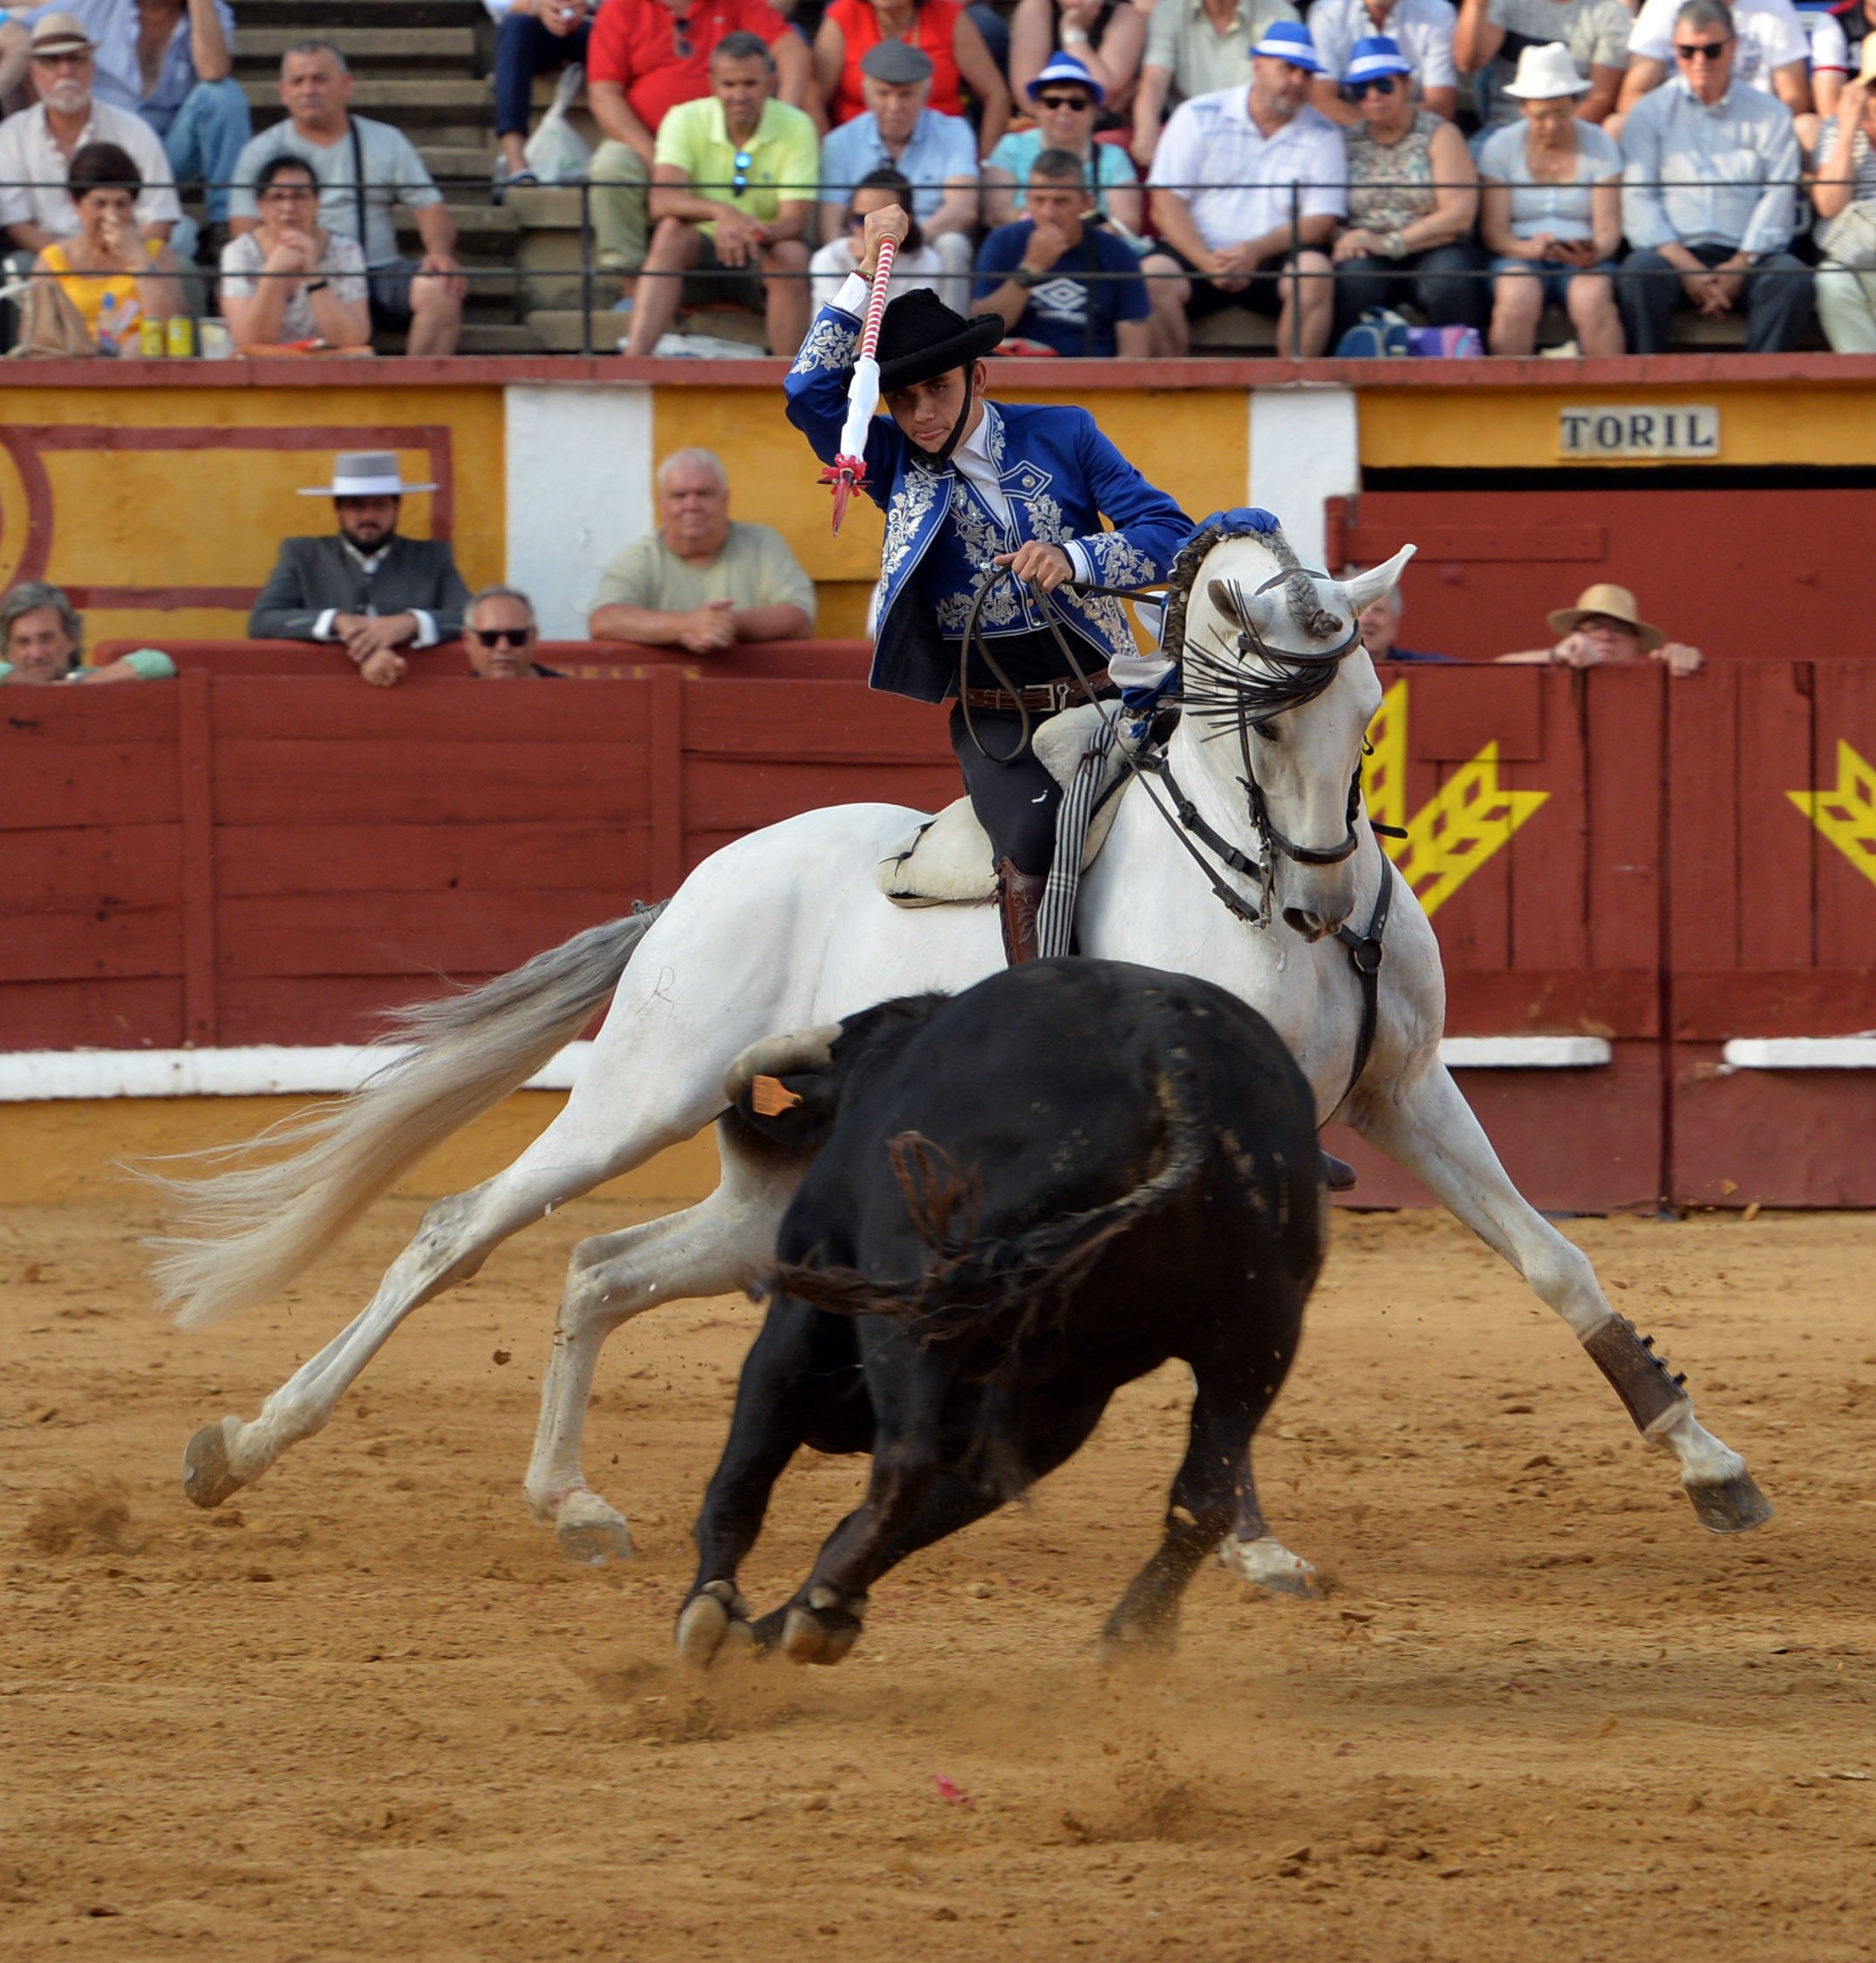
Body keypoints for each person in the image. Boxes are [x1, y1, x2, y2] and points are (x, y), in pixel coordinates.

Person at [784, 202, 1190, 963]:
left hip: (1111, 686)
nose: (918, 414)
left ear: (977, 376)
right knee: (1031, 839)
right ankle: (1041, 1013)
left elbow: (1172, 535)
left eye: (934, 389)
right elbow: (808, 393)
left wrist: (1076, 559)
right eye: (900, 399)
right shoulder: (893, 460)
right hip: (997, 720)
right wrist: (862, 273)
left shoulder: (1064, 430)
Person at [227, 42, 467, 358]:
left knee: (440, 290)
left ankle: (415, 399)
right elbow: (245, 230)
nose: (308, 90)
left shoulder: (386, 141)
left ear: (346, 85)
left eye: (320, 79)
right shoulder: (261, 152)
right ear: (284, 92)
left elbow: (429, 208)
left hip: (376, 273)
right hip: (294, 276)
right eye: (298, 81)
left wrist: (439, 252)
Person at [1617, 0, 1813, 353]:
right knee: (1638, 272)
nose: (1699, 61)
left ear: (1734, 47)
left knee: (1791, 278)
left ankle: (1758, 389)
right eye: (1687, 51)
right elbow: (1638, 199)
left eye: (1711, 50)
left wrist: (1741, 263)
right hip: (1673, 256)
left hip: (1749, 256)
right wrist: (1688, 267)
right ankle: (1649, 388)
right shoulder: (1649, 112)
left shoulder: (1771, 115)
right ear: (1673, 50)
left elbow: (1779, 196)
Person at [1145, 23, 1346, 358]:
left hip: (1273, 258)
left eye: (1307, 74)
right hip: (1198, 251)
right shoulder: (1198, 114)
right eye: (1288, 68)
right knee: (1151, 275)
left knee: (1313, 270)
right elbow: (1165, 203)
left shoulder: (1324, 133)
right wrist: (1205, 261)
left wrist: (1254, 250)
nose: (1297, 81)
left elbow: (1322, 220)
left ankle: (1298, 390)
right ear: (1258, 66)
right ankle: (1171, 396)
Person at [620, 31, 817, 358]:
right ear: (712, 84)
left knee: (791, 255)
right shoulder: (684, 118)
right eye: (729, 85)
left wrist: (751, 231)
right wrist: (723, 213)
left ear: (771, 83)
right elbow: (662, 201)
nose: (739, 95)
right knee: (671, 231)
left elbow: (795, 220)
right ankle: (631, 367)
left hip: (761, 248)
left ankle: (791, 388)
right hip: (701, 254)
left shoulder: (797, 125)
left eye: (750, 84)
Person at [586, 0, 814, 279]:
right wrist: (654, 156)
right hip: (645, 144)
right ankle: (629, 283)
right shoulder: (621, 7)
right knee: (610, 166)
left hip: (724, 138)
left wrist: (779, 117)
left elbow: (792, 50)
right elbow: (603, 94)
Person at [0, 0, 248, 232]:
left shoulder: (211, 11)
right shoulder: (96, 6)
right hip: (99, 154)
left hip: (167, 155)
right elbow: (28, 34)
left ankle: (223, 228)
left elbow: (213, 69)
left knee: (223, 95)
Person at [249, 452, 471, 687]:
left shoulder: (431, 558)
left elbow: (472, 619)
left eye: (379, 505)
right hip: (324, 695)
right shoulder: (303, 556)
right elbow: (263, 621)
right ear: (338, 509)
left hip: (416, 693)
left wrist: (411, 622)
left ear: (397, 508)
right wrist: (336, 621)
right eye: (356, 505)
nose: (368, 516)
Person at [1330, 35, 1486, 340]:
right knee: (1352, 281)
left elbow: (1459, 215)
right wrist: (1344, 238)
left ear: (1406, 85)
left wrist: (1391, 243)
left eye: (1384, 85)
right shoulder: (1347, 140)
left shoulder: (1439, 133)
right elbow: (1331, 214)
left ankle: (1462, 372)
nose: (1373, 96)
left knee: (1447, 282)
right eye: (1361, 90)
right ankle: (1351, 377)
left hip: (1437, 244)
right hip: (1369, 248)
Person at [588, 446, 816, 647]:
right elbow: (604, 620)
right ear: (662, 505)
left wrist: (729, 623)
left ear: (725, 499)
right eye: (679, 495)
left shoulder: (762, 544)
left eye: (703, 494)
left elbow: (799, 617)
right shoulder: (641, 557)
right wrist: (689, 625)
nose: (691, 505)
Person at [1478, 41, 1624, 354]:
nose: (1553, 125)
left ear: (1575, 102)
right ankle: (1508, 400)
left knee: (1593, 299)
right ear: (1522, 107)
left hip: (1583, 255)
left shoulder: (1601, 145)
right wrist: (1527, 248)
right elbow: (1493, 232)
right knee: (1515, 297)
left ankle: (1611, 397)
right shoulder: (1500, 147)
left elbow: (1609, 229)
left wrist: (1594, 253)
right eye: (1541, 116)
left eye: (1562, 112)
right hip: (1518, 252)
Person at [0, 13, 180, 254]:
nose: (66, 71)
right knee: (19, 267)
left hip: (126, 258)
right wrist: (75, 263)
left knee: (180, 269)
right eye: (52, 61)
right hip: (48, 263)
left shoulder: (133, 130)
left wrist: (116, 259)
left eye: (76, 60)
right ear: (34, 73)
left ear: (92, 68)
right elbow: (17, 226)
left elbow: (159, 219)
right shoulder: (12, 135)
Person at [816, 38, 978, 302]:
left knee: (954, 245)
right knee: (830, 254)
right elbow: (830, 226)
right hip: (863, 243)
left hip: (925, 239)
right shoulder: (840, 141)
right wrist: (867, 251)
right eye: (883, 94)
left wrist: (903, 242)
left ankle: (953, 340)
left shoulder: (954, 132)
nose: (894, 106)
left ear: (926, 93)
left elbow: (963, 208)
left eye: (905, 94)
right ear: (866, 93)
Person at [972, 147, 1153, 352]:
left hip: (1093, 376)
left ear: (1086, 203)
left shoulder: (1119, 254)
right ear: (1028, 201)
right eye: (1040, 201)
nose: (1049, 213)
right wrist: (1030, 269)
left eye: (1062, 201)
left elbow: (1134, 352)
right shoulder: (1004, 242)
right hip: (1021, 372)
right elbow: (981, 333)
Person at [31, 140, 188, 345]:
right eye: (99, 203)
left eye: (121, 204)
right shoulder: (52, 261)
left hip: (143, 368)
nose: (111, 217)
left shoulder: (156, 254)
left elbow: (174, 330)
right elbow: (34, 339)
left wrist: (139, 259)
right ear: (76, 205)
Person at [217, 151, 371, 349]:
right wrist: (274, 272)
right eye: (277, 197)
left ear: (317, 203)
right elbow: (249, 341)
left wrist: (313, 274)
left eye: (299, 196)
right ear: (260, 207)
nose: (289, 207)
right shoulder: (238, 253)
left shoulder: (346, 250)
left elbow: (353, 340)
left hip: (328, 368)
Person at [815, 0, 1011, 149]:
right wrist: (830, 160)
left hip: (943, 157)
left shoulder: (948, 15)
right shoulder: (844, 16)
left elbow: (996, 95)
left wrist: (985, 161)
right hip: (858, 157)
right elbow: (814, 101)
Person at [984, 52, 1144, 232]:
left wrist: (1076, 240)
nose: (1064, 110)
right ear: (1037, 108)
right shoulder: (1011, 147)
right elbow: (996, 214)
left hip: (1093, 256)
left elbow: (1127, 223)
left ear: (1094, 112)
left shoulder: (1114, 157)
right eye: (1053, 102)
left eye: (1077, 104)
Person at [1131, 0, 1302, 167]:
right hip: (1188, 138)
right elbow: (1154, 80)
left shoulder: (1279, 15)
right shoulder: (1168, 12)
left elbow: (1284, 89)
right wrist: (1146, 128)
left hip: (1254, 138)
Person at [1616, 0, 1811, 126]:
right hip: (1675, 126)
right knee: (1616, 126)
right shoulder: (1663, 6)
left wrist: (1748, 122)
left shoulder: (1776, 6)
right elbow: (1632, 96)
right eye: (1687, 51)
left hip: (1755, 126)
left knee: (1807, 127)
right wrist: (1680, 123)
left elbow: (1794, 97)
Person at [1454, 0, 1630, 128]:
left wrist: (1547, 132)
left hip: (1573, 134)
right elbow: (1468, 63)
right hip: (1503, 130)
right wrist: (1477, 4)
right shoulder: (1504, 3)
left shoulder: (1611, 14)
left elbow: (1599, 100)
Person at [811, 164, 961, 305]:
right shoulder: (830, 257)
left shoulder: (926, 260)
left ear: (906, 220)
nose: (869, 229)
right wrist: (869, 265)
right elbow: (838, 326)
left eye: (881, 221)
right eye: (860, 219)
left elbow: (916, 325)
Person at [485, 0, 594, 192]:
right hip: (531, 23)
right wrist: (537, 6)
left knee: (614, 36)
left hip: (588, 22)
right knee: (515, 26)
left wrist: (589, 5)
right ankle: (516, 163)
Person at [1810, 40, 1876, 348]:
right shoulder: (1838, 128)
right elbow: (1828, 204)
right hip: (1855, 260)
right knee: (1831, 279)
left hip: (1863, 250)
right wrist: (1849, 130)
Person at [1496, 582, 1703, 674]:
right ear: (1574, 637)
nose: (1606, 636)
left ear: (1638, 645)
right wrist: (1554, 654)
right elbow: (1498, 669)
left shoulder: (1653, 676)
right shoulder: (1555, 671)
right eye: (1594, 627)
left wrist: (1685, 660)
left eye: (1619, 628)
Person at [1307, 0, 1460, 125]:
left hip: (1415, 131)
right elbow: (1321, 99)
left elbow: (1441, 105)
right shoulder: (1327, 12)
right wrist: (1374, 131)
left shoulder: (1438, 13)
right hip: (1351, 130)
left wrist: (1386, 129)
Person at [0, 580, 174, 683]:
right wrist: (41, 688)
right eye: (23, 642)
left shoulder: (91, 678)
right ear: (8, 650)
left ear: (71, 640)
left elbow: (159, 663)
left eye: (46, 639)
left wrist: (78, 685)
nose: (36, 653)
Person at [1007, 0, 1147, 112]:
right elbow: (1027, 95)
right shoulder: (1036, 7)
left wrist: (1072, 32)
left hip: (1101, 131)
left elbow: (1104, 94)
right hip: (1041, 125)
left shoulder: (1126, 15)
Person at [464, 585, 566, 677]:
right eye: (489, 637)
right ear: (468, 640)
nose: (503, 647)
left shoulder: (569, 694)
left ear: (533, 638)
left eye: (516, 637)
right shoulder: (456, 697)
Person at [1352, 576, 1451, 661]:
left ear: (1395, 620)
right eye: (1355, 611)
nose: (1364, 620)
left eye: (1377, 610)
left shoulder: (1436, 669)